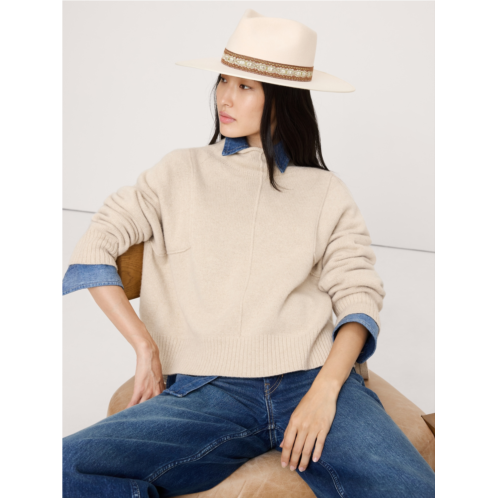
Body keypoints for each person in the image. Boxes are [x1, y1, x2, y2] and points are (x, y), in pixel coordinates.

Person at [62, 9, 436, 498]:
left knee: (413, 489)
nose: (225, 97)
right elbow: (96, 243)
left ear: (281, 99)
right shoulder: (178, 171)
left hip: (311, 378)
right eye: (223, 80)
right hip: (208, 391)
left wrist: (326, 391)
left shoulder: (324, 191)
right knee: (69, 467)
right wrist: (145, 347)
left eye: (245, 86)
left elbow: (359, 294)